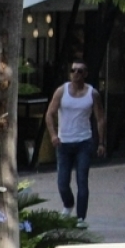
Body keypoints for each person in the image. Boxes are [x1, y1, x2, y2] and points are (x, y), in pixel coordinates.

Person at [45, 59, 107, 228]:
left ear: (85, 74)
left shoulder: (92, 94)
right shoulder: (61, 91)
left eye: (80, 71)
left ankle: (80, 217)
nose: (76, 74)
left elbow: (100, 118)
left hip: (84, 142)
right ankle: (68, 204)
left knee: (82, 180)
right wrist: (52, 135)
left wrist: (101, 142)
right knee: (62, 182)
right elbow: (49, 114)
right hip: (64, 142)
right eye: (73, 70)